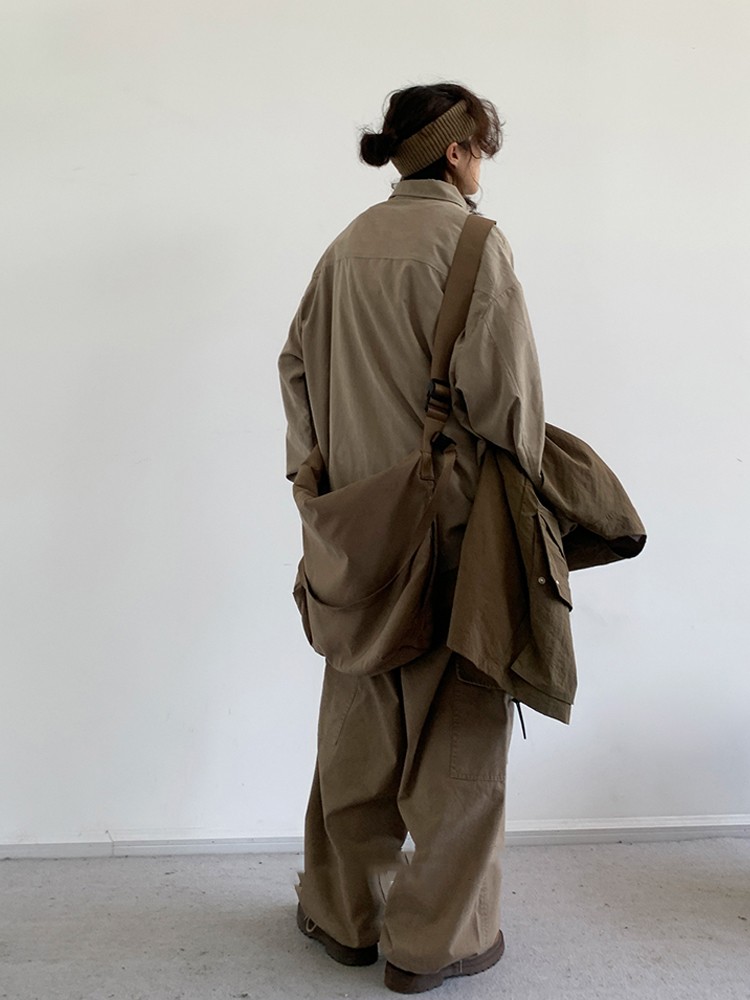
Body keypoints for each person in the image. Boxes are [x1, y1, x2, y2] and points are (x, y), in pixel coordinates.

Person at [278, 82, 546, 994]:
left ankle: (343, 917)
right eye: (482, 147)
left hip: (351, 533)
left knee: (356, 726)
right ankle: (437, 942)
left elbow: (295, 368)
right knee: (457, 737)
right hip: (449, 535)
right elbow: (509, 404)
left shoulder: (346, 244)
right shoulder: (472, 244)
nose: (483, 164)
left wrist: (318, 483)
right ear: (459, 150)